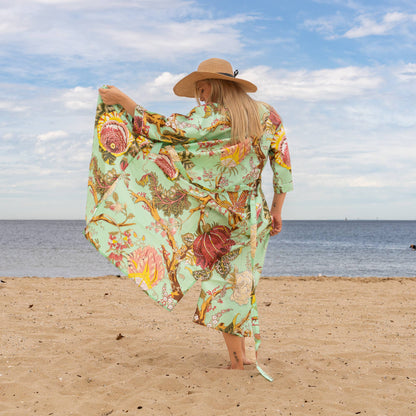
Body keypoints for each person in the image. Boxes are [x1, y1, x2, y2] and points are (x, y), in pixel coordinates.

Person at [95, 58, 293, 374]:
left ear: (215, 84)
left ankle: (238, 362)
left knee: (224, 285)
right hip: (254, 215)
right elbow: (282, 164)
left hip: (219, 217)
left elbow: (164, 130)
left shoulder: (209, 117)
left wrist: (123, 101)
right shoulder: (268, 115)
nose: (199, 97)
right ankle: (246, 356)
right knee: (242, 283)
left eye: (201, 88)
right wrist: (277, 209)